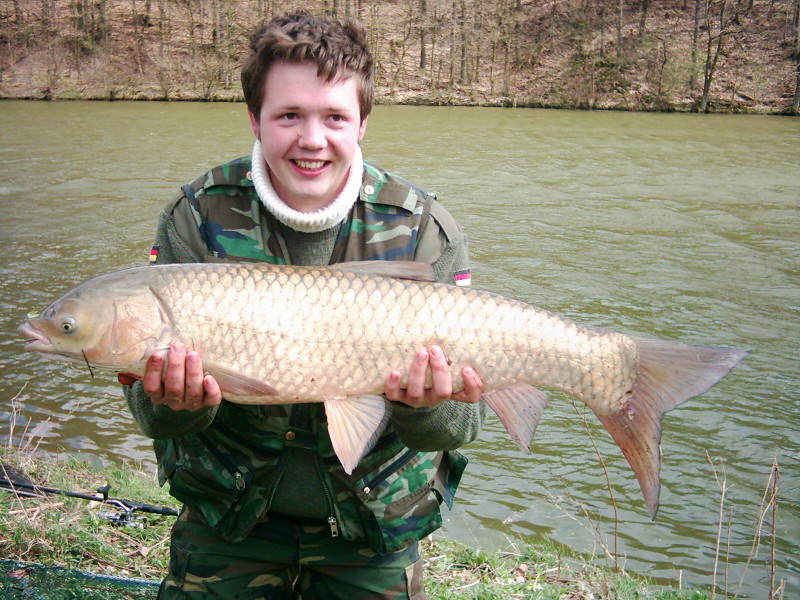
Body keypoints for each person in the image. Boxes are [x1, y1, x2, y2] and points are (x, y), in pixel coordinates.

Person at [123, 11, 484, 600]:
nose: (312, 140)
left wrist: (425, 408)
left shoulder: (423, 228)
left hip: (376, 521)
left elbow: (463, 424)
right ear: (255, 119)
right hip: (230, 516)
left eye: (335, 117)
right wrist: (175, 405)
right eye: (289, 114)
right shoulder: (195, 215)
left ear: (362, 123)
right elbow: (153, 416)